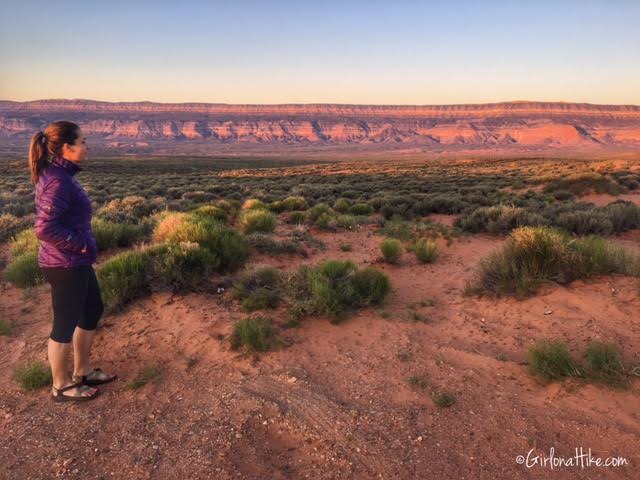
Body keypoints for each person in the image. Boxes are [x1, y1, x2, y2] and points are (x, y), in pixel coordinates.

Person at [29, 120, 116, 402]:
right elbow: (44, 227)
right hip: (64, 264)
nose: (87, 147)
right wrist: (78, 245)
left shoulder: (61, 176)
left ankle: (82, 371)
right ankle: (61, 385)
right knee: (65, 323)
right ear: (67, 148)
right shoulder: (57, 180)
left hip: (75, 261)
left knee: (92, 310)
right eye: (82, 142)